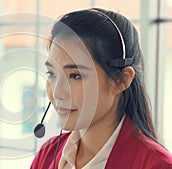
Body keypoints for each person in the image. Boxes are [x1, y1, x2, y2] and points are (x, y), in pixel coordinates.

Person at [31, 8, 172, 169]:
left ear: (121, 80)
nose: (56, 93)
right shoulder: (46, 156)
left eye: (75, 76)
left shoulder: (157, 165)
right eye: (52, 74)